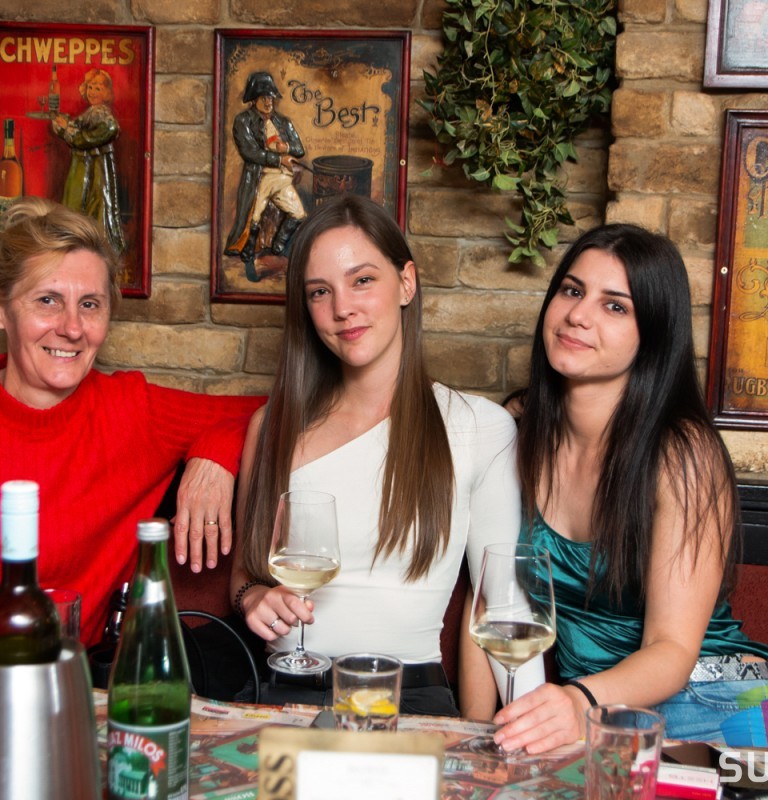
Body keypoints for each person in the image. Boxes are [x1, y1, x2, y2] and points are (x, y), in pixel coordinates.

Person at [0, 198, 263, 674]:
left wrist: (216, 452)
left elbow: (287, 411)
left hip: (41, 689)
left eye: (89, 305)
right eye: (47, 300)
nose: (72, 328)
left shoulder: (133, 411)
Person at [229, 195, 541, 717]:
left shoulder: (480, 428)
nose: (342, 308)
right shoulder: (272, 427)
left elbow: (503, 602)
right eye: (320, 291)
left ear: (407, 283)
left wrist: (534, 735)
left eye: (362, 280)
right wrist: (252, 599)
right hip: (282, 692)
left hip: (409, 697)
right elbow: (243, 572)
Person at [492, 224, 768, 752]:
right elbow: (488, 600)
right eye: (572, 291)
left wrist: (577, 701)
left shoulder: (684, 452)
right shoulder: (518, 428)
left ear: (654, 334)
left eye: (615, 306)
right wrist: (481, 731)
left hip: (717, 700)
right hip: (597, 714)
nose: (579, 315)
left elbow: (673, 649)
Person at [222, 71, 307, 282]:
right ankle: (248, 258)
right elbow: (250, 152)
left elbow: (298, 148)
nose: (269, 102)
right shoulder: (243, 121)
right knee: (253, 218)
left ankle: (279, 246)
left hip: (282, 179)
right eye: (263, 98)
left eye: (270, 97)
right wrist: (279, 159)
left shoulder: (283, 122)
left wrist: (286, 147)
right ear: (254, 99)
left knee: (298, 214)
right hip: (260, 178)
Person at [51, 68, 127, 259]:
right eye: (90, 87)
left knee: (94, 204)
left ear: (107, 92)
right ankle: (78, 244)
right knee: (79, 203)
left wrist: (69, 132)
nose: (93, 92)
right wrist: (65, 124)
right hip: (83, 166)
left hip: (95, 169)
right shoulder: (91, 113)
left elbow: (107, 129)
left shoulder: (102, 114)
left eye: (98, 88)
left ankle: (94, 246)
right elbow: (77, 127)